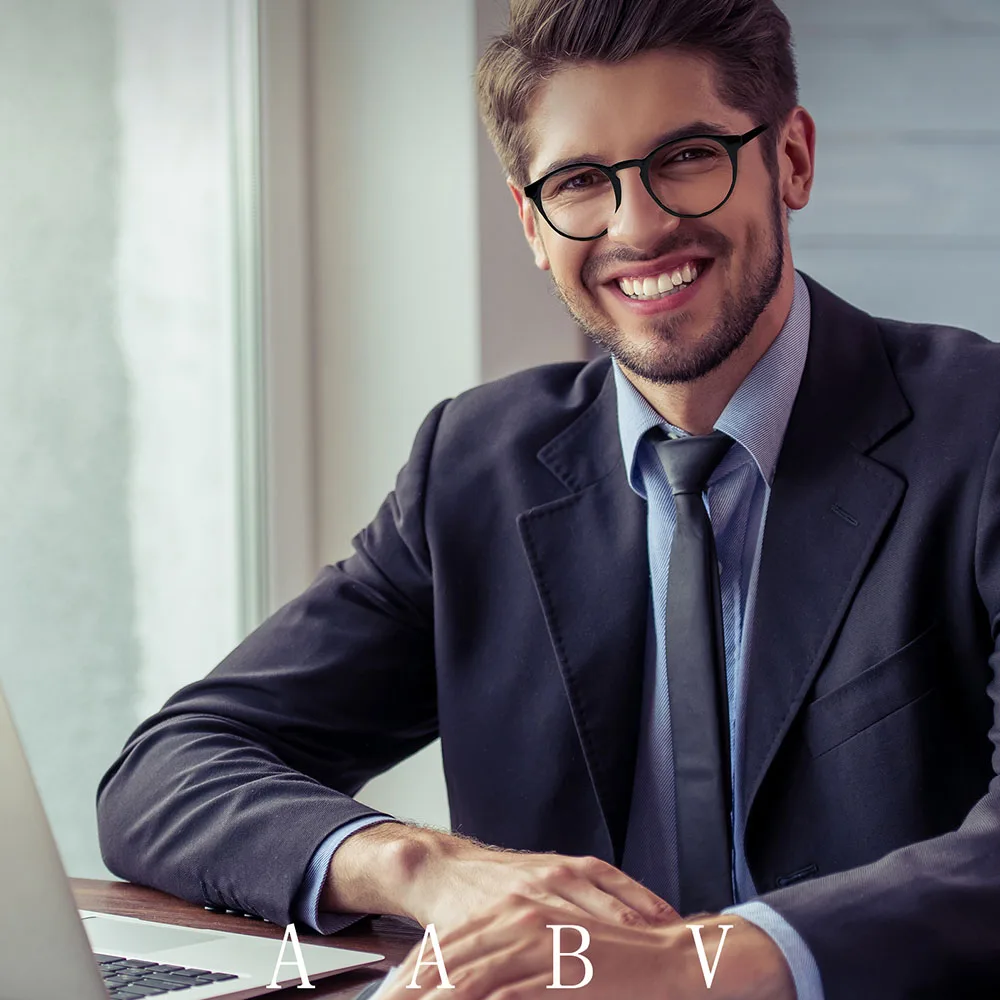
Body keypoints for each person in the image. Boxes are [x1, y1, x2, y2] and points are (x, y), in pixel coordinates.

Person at [97, 1, 1000, 997]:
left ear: (789, 158)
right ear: (532, 224)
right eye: (579, 181)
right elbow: (172, 768)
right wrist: (425, 867)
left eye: (688, 155)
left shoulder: (979, 432)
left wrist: (692, 965)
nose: (639, 224)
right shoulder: (475, 464)